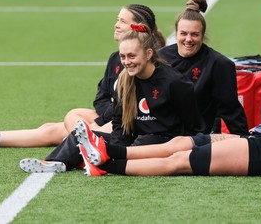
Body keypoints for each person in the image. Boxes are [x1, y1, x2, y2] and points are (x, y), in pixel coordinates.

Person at [77, 36, 261, 179]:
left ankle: (106, 166)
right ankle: (106, 150)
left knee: (179, 162)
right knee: (182, 143)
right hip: (258, 139)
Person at [0, 4, 165, 148]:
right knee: (55, 126)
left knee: (63, 127)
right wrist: (105, 117)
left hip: (131, 123)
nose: (116, 24)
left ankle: (87, 146)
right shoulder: (114, 59)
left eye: (122, 21)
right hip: (113, 118)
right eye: (117, 19)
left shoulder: (143, 62)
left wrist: (107, 121)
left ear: (138, 28)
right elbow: (100, 98)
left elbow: (143, 103)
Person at [19, 23, 206, 173]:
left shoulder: (174, 82)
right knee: (81, 135)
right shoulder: (125, 80)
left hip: (163, 142)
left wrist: (181, 151)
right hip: (133, 139)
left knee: (141, 143)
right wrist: (113, 146)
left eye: (132, 56)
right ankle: (55, 163)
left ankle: (97, 161)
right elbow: (119, 124)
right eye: (123, 56)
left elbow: (193, 126)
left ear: (149, 54)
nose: (126, 62)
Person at [159, 0, 248, 134]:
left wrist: (244, 142)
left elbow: (231, 111)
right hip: (158, 132)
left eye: (195, 34)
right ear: (176, 33)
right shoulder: (160, 58)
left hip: (194, 138)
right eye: (183, 33)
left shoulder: (218, 64)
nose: (188, 39)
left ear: (203, 35)